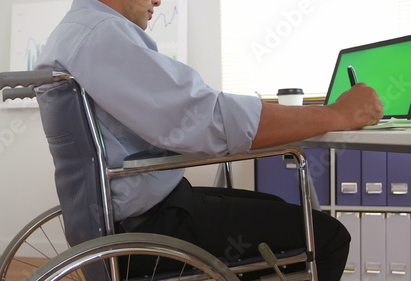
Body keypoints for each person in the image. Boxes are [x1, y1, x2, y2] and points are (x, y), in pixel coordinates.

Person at [35, 0, 384, 280]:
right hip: (150, 227)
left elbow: (184, 118)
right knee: (327, 236)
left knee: (277, 208)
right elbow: (203, 120)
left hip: (121, 215)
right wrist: (338, 116)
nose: (158, 0)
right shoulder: (103, 33)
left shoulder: (73, 32)